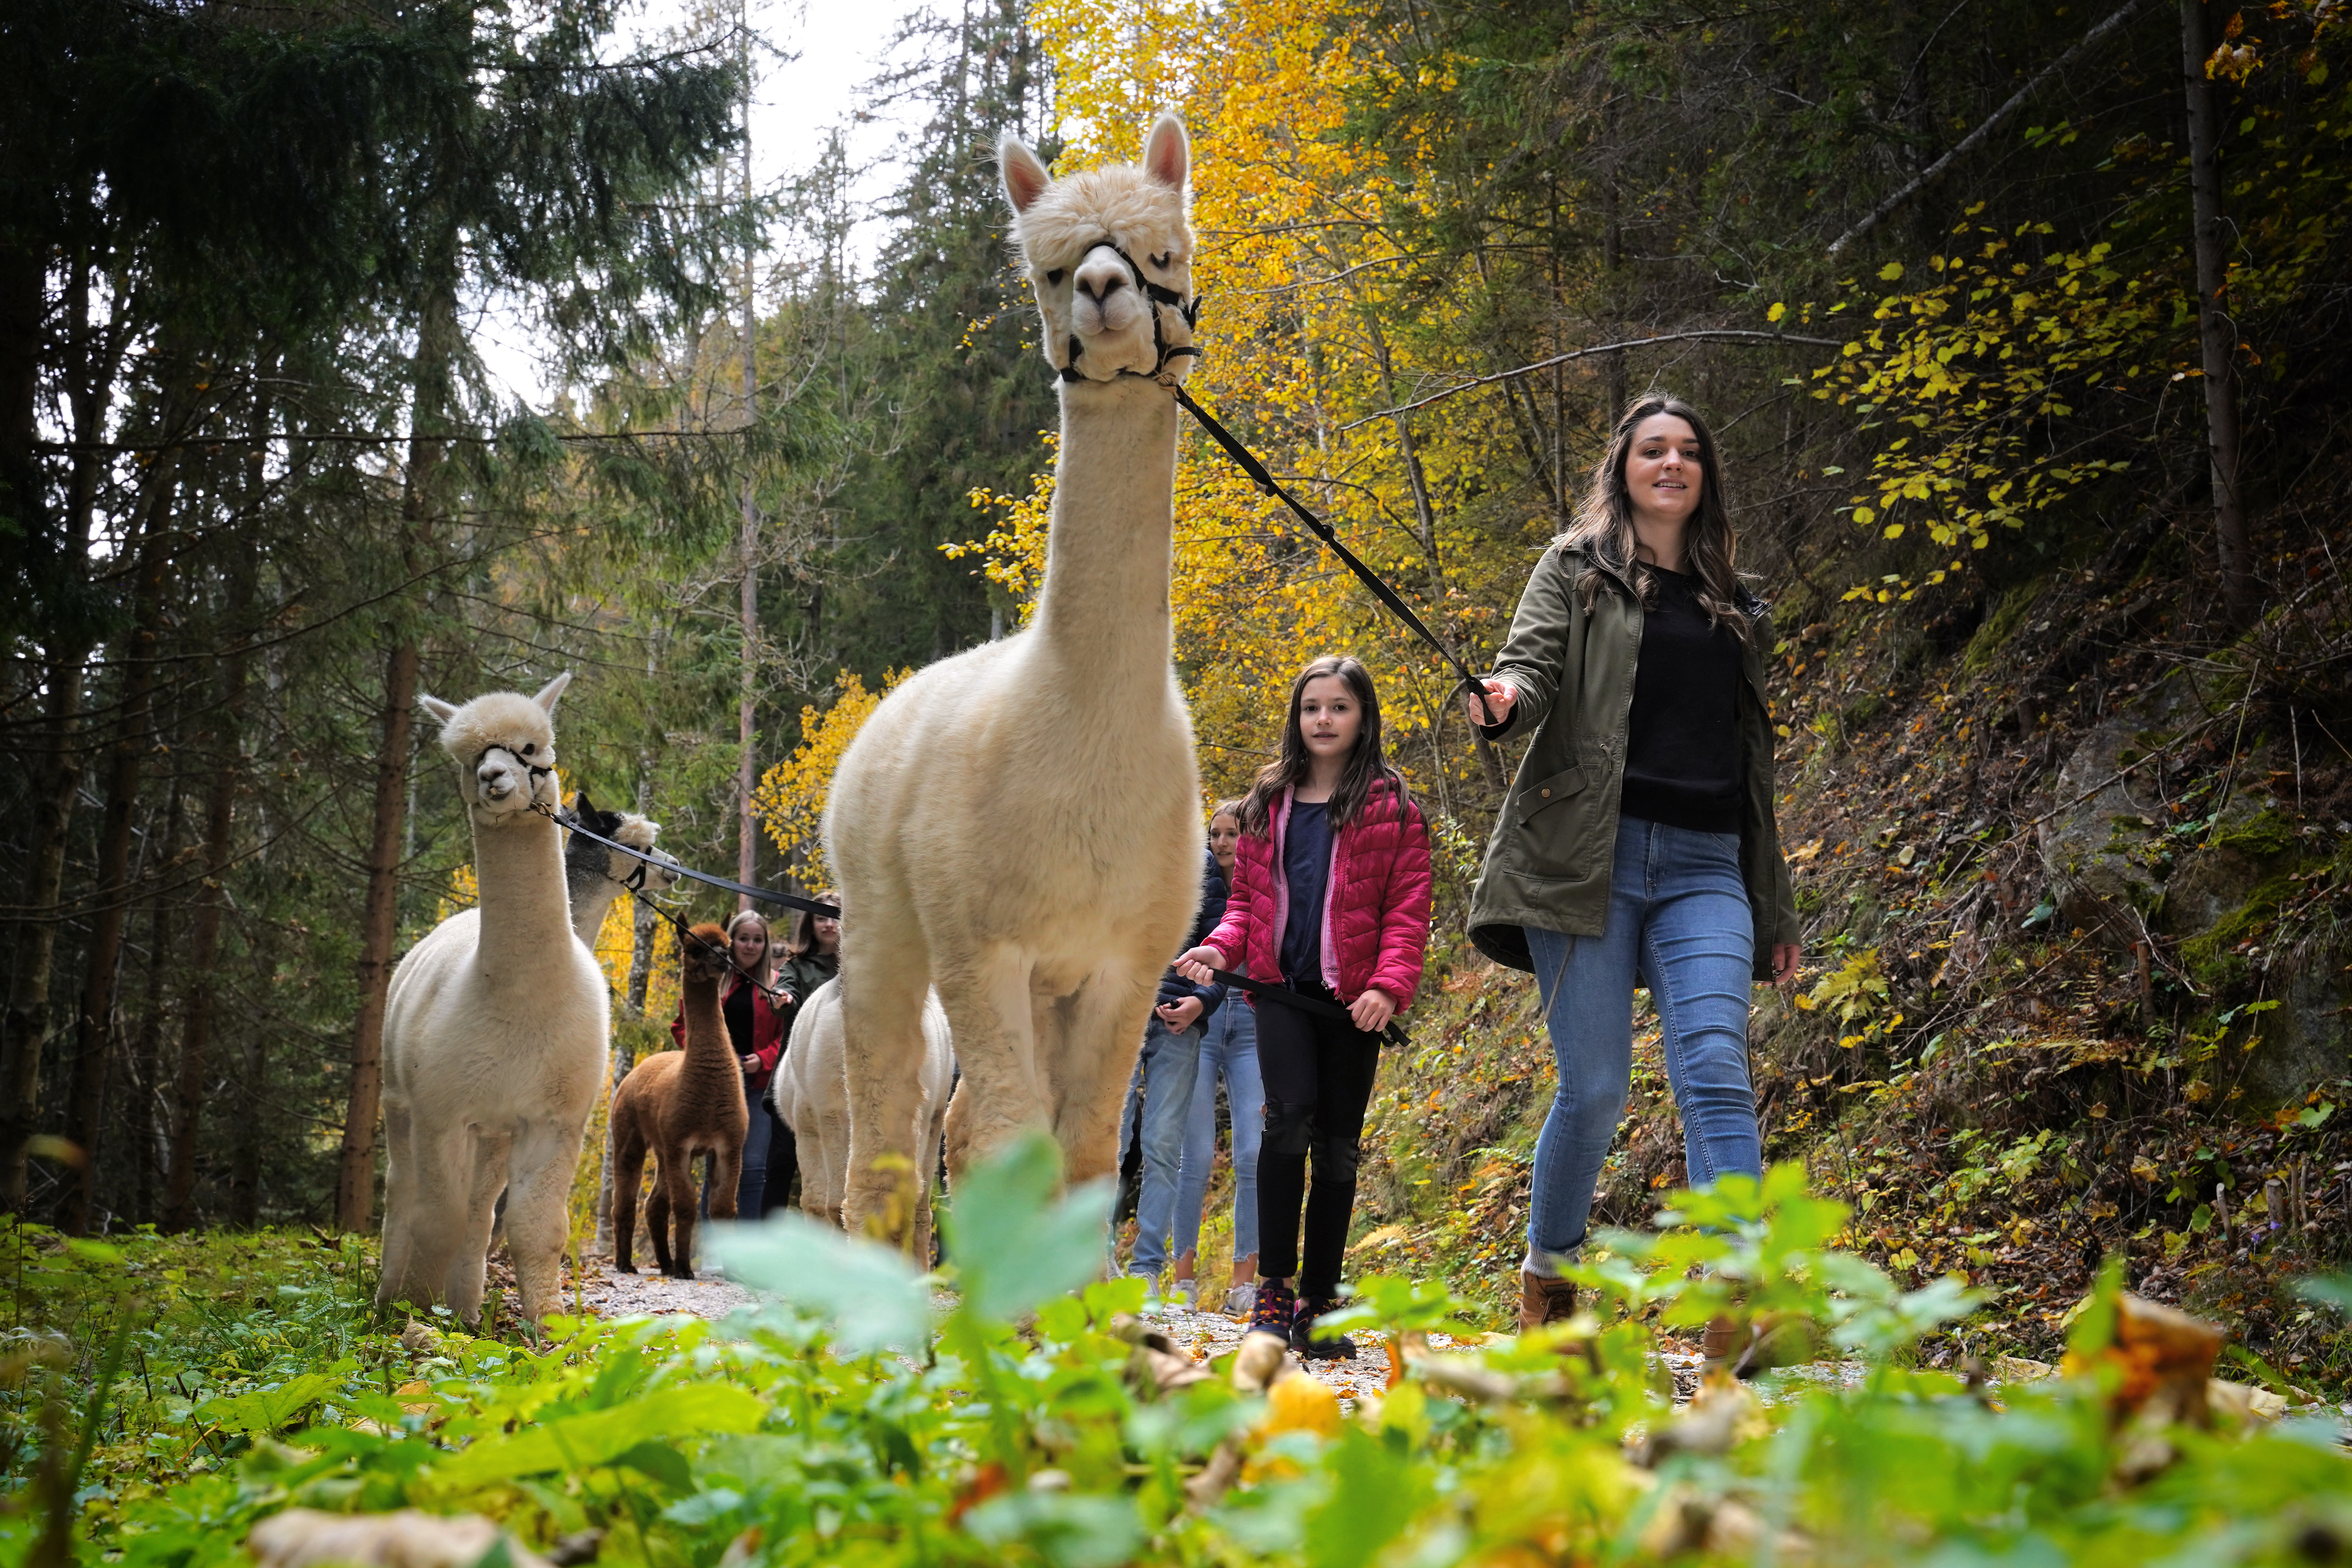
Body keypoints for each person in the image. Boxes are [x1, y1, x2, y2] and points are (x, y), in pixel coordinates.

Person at [1459, 393, 1802, 1350]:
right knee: (1598, 1086)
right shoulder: (1576, 570)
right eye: (1653, 449)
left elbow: (1753, 766)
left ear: (1706, 476)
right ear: (1624, 466)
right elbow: (1527, 672)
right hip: (1586, 861)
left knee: (1716, 1073)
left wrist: (1772, 903)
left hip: (1706, 865)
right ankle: (1550, 1280)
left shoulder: (1737, 596)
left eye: (1689, 451)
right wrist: (1502, 701)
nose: (1672, 464)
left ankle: (1741, 1299)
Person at [1177, 655, 1432, 1359]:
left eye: (1339, 707)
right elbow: (1247, 907)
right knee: (1284, 1123)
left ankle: (1321, 1301)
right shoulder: (1267, 805)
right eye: (1312, 707)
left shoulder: (1393, 807)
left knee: (1339, 1146)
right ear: (1297, 718)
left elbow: (1408, 912)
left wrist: (1387, 986)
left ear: (1363, 717)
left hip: (1354, 1005)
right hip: (1280, 994)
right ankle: (1274, 1290)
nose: (1323, 719)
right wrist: (1219, 952)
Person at [1122, 812, 1232, 1310]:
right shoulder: (1113, 856)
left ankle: (1146, 1270)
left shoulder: (1205, 872)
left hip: (1180, 1023)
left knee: (1163, 1145)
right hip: (1116, 1019)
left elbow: (1225, 943)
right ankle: (1096, 1262)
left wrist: (1200, 1004)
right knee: (1109, 1141)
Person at [1170, 800, 1263, 1317]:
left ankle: (1243, 1282)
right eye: (1217, 834)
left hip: (1252, 1030)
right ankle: (1182, 1279)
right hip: (1202, 1029)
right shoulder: (1195, 888)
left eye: (1234, 833)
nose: (1224, 843)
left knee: (1253, 1153)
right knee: (1197, 1156)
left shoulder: (1266, 887)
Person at [674, 909, 791, 1220]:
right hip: (713, 1087)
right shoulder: (710, 983)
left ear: (766, 945)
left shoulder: (777, 986)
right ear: (733, 942)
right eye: (743, 939)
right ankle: (715, 1249)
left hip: (758, 1087)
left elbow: (787, 1036)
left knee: (752, 1167)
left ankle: (748, 1252)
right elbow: (682, 1025)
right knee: (715, 1168)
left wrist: (763, 1060)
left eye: (758, 940)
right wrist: (705, 1053)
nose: (750, 946)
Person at [758, 896, 840, 1216]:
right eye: (822, 918)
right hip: (797, 1082)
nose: (829, 924)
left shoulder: (862, 967)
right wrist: (782, 999)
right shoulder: (796, 967)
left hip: (846, 1084)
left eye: (835, 917)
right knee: (780, 1165)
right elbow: (785, 995)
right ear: (811, 924)